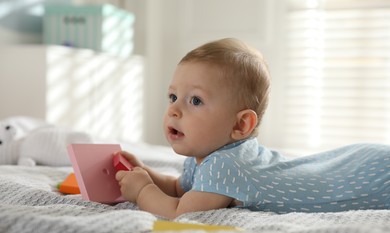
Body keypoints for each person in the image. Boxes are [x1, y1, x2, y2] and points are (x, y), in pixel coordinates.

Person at [116, 38, 390, 219]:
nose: (174, 110)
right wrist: (146, 173)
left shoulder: (226, 165)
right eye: (173, 97)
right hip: (359, 159)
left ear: (240, 124)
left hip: (374, 176)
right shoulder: (209, 154)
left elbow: (180, 211)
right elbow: (180, 187)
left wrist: (143, 191)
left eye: (195, 101)